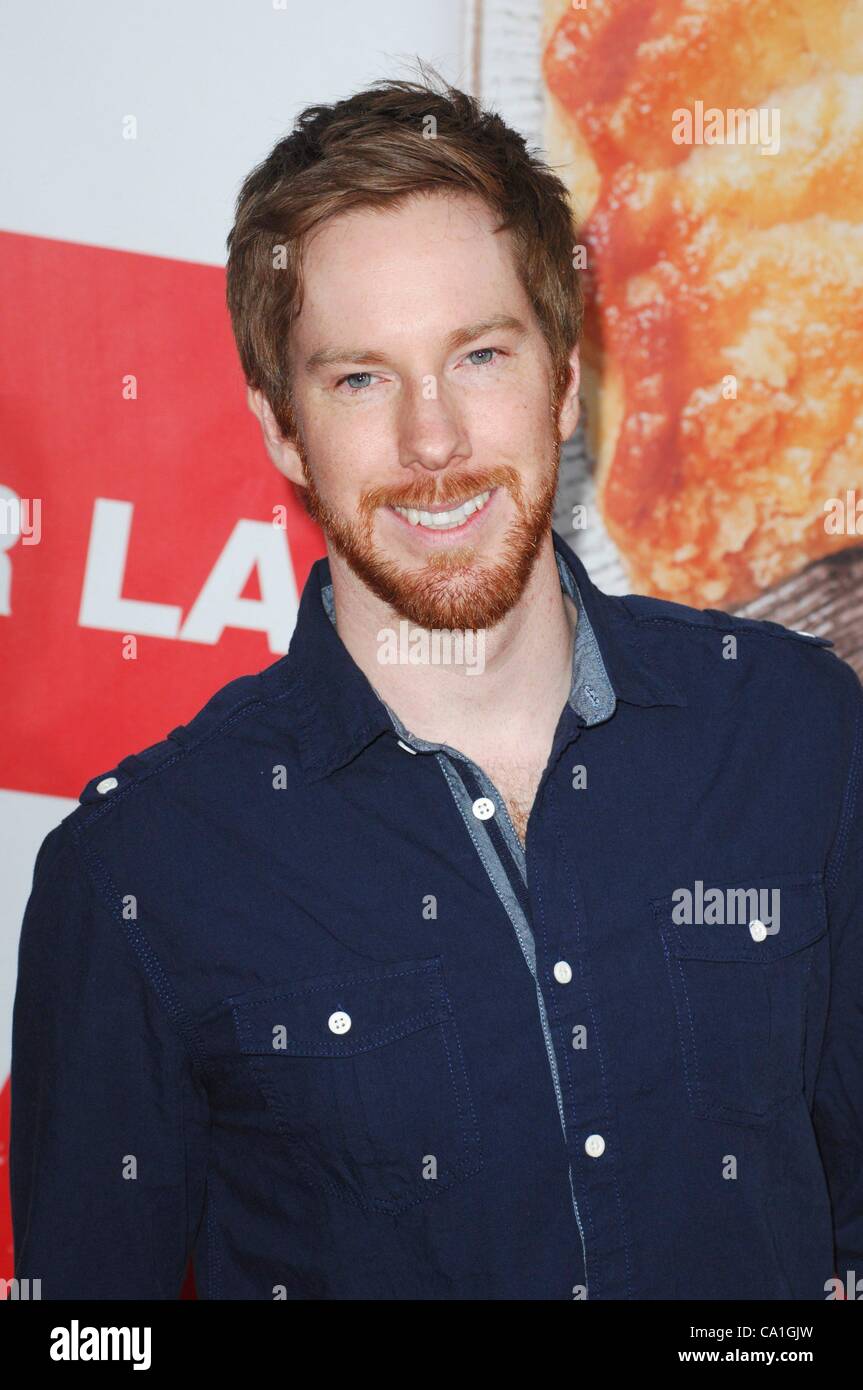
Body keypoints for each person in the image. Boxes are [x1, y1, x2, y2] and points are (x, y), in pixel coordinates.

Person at [10, 71, 863, 1300]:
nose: (432, 443)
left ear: (563, 378)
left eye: (476, 355)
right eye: (360, 378)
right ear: (281, 429)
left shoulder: (798, 735)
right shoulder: (138, 871)